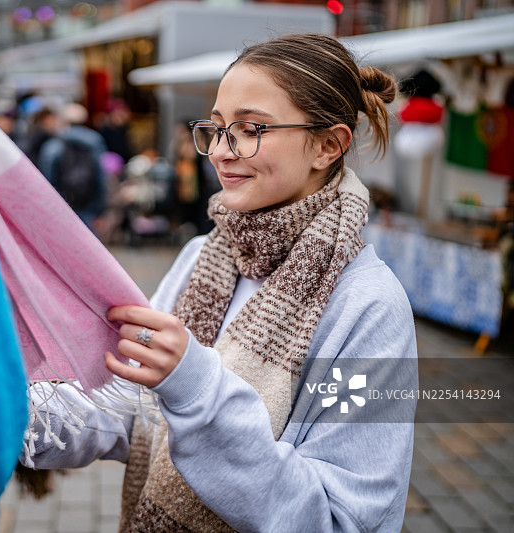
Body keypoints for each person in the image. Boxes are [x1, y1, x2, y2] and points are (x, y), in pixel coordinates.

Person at [25, 33, 417, 533]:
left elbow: (338, 520)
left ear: (328, 145)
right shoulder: (203, 255)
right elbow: (135, 414)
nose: (221, 152)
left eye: (251, 128)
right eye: (215, 128)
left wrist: (195, 389)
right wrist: (11, 411)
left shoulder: (368, 306)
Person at [39, 102, 107, 233]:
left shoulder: (53, 144)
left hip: (61, 205)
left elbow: (47, 179)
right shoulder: (95, 141)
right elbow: (101, 177)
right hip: (88, 205)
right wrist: (100, 209)